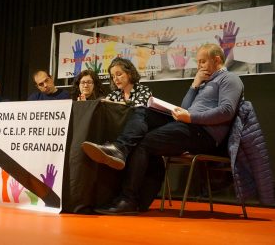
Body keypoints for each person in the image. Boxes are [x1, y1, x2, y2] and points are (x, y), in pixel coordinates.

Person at [81, 43, 244, 215]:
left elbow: (227, 112)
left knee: (144, 143)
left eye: (202, 62)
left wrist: (191, 117)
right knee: (143, 111)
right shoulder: (204, 82)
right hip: (189, 125)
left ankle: (128, 199)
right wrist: (194, 85)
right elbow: (185, 107)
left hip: (204, 134)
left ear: (217, 59)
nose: (199, 66)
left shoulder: (230, 79)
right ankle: (120, 149)